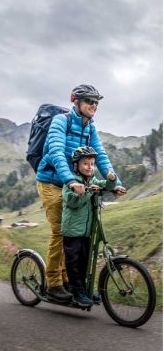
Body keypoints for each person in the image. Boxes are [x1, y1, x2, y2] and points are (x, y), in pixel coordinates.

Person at [35, 84, 126, 302]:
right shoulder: (61, 121)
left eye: (96, 102)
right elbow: (56, 152)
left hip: (77, 183)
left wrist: (116, 183)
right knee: (61, 230)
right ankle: (54, 284)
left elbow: (101, 157)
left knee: (79, 235)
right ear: (76, 102)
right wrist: (70, 180)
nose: (94, 106)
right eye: (89, 101)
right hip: (52, 182)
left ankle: (73, 284)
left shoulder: (90, 127)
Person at [62, 146, 117, 307]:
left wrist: (112, 181)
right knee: (73, 262)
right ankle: (77, 291)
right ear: (76, 165)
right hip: (72, 231)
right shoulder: (70, 183)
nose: (90, 167)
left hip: (86, 232)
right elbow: (73, 202)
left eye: (92, 164)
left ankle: (85, 290)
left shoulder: (92, 181)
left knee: (85, 261)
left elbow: (105, 186)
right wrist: (87, 192)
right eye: (85, 163)